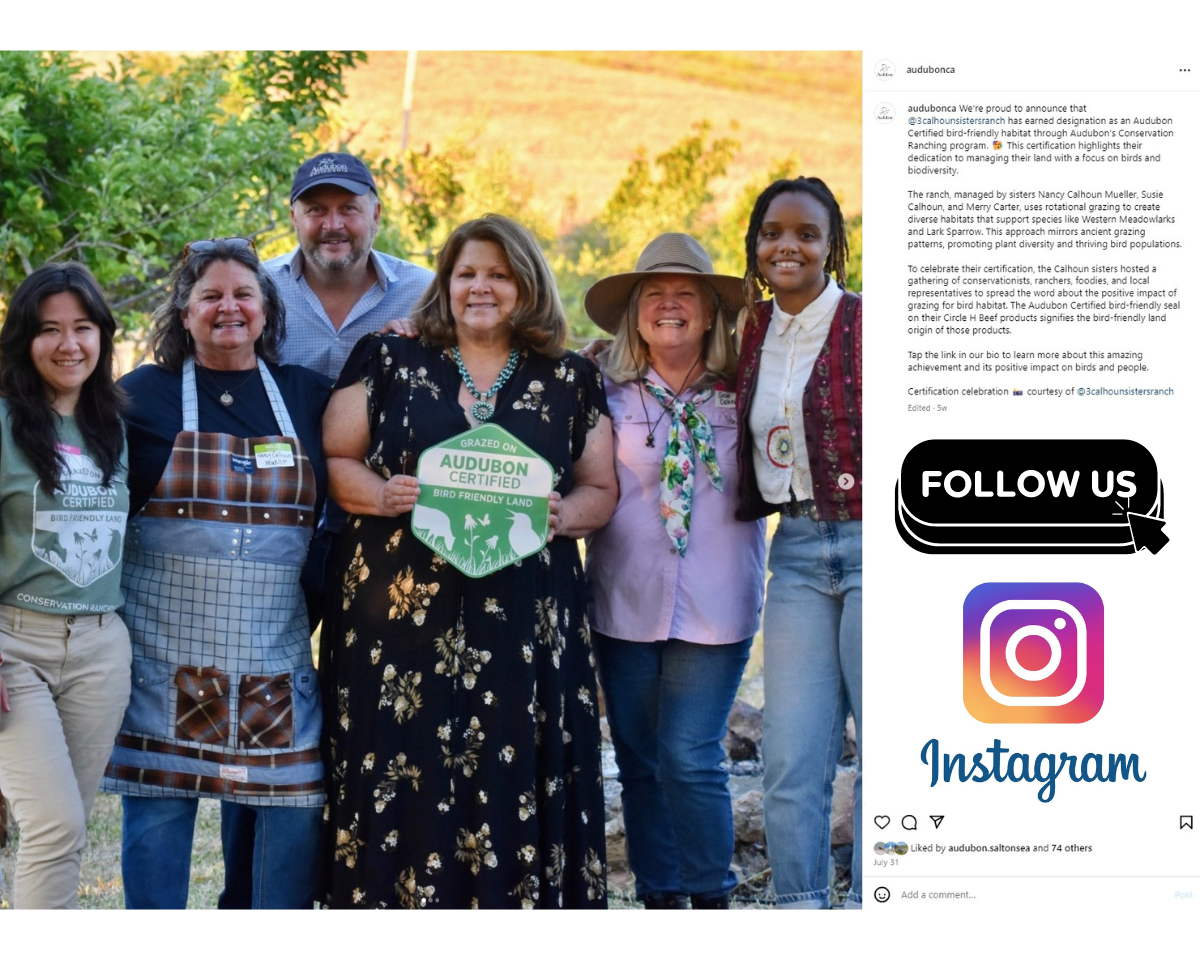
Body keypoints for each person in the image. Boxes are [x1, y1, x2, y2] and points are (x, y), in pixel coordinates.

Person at [320, 213, 617, 908]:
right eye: (466, 274)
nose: (481, 287)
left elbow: (601, 489)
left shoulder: (571, 378)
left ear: (527, 284)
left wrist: (564, 514)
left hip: (523, 627)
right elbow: (335, 459)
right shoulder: (387, 359)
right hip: (397, 628)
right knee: (402, 774)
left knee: (514, 777)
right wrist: (383, 495)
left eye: (499, 274)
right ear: (444, 284)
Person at [101, 238, 332, 909]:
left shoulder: (308, 397)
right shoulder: (139, 397)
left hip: (271, 666)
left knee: (292, 817)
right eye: (210, 296)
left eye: (243, 294)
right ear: (184, 312)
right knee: (158, 827)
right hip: (165, 667)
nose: (228, 307)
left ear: (266, 312)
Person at [582, 234, 767, 909]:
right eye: (653, 294)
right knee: (639, 762)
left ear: (711, 311)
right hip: (623, 596)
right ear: (635, 314)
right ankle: (661, 902)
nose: (668, 304)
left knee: (690, 756)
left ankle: (711, 900)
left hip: (719, 602)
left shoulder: (751, 384)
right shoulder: (598, 386)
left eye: (684, 293)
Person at [734, 176, 862, 908]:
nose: (788, 245)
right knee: (789, 757)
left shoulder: (871, 321)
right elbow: (656, 348)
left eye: (806, 234)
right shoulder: (747, 328)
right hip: (799, 551)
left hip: (882, 543)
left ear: (830, 246)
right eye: (773, 232)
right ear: (755, 245)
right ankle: (799, 915)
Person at [0, 262, 131, 908]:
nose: (69, 344)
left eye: (83, 327)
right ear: (24, 339)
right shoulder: (3, 423)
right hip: (13, 646)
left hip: (100, 652)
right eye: (49, 329)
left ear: (103, 336)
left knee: (66, 832)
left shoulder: (115, 427)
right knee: (55, 826)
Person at [265, 152, 434, 628]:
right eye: (316, 210)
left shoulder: (426, 294)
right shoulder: (257, 290)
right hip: (280, 505)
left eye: (349, 209)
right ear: (293, 215)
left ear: (376, 214)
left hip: (386, 511)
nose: (332, 224)